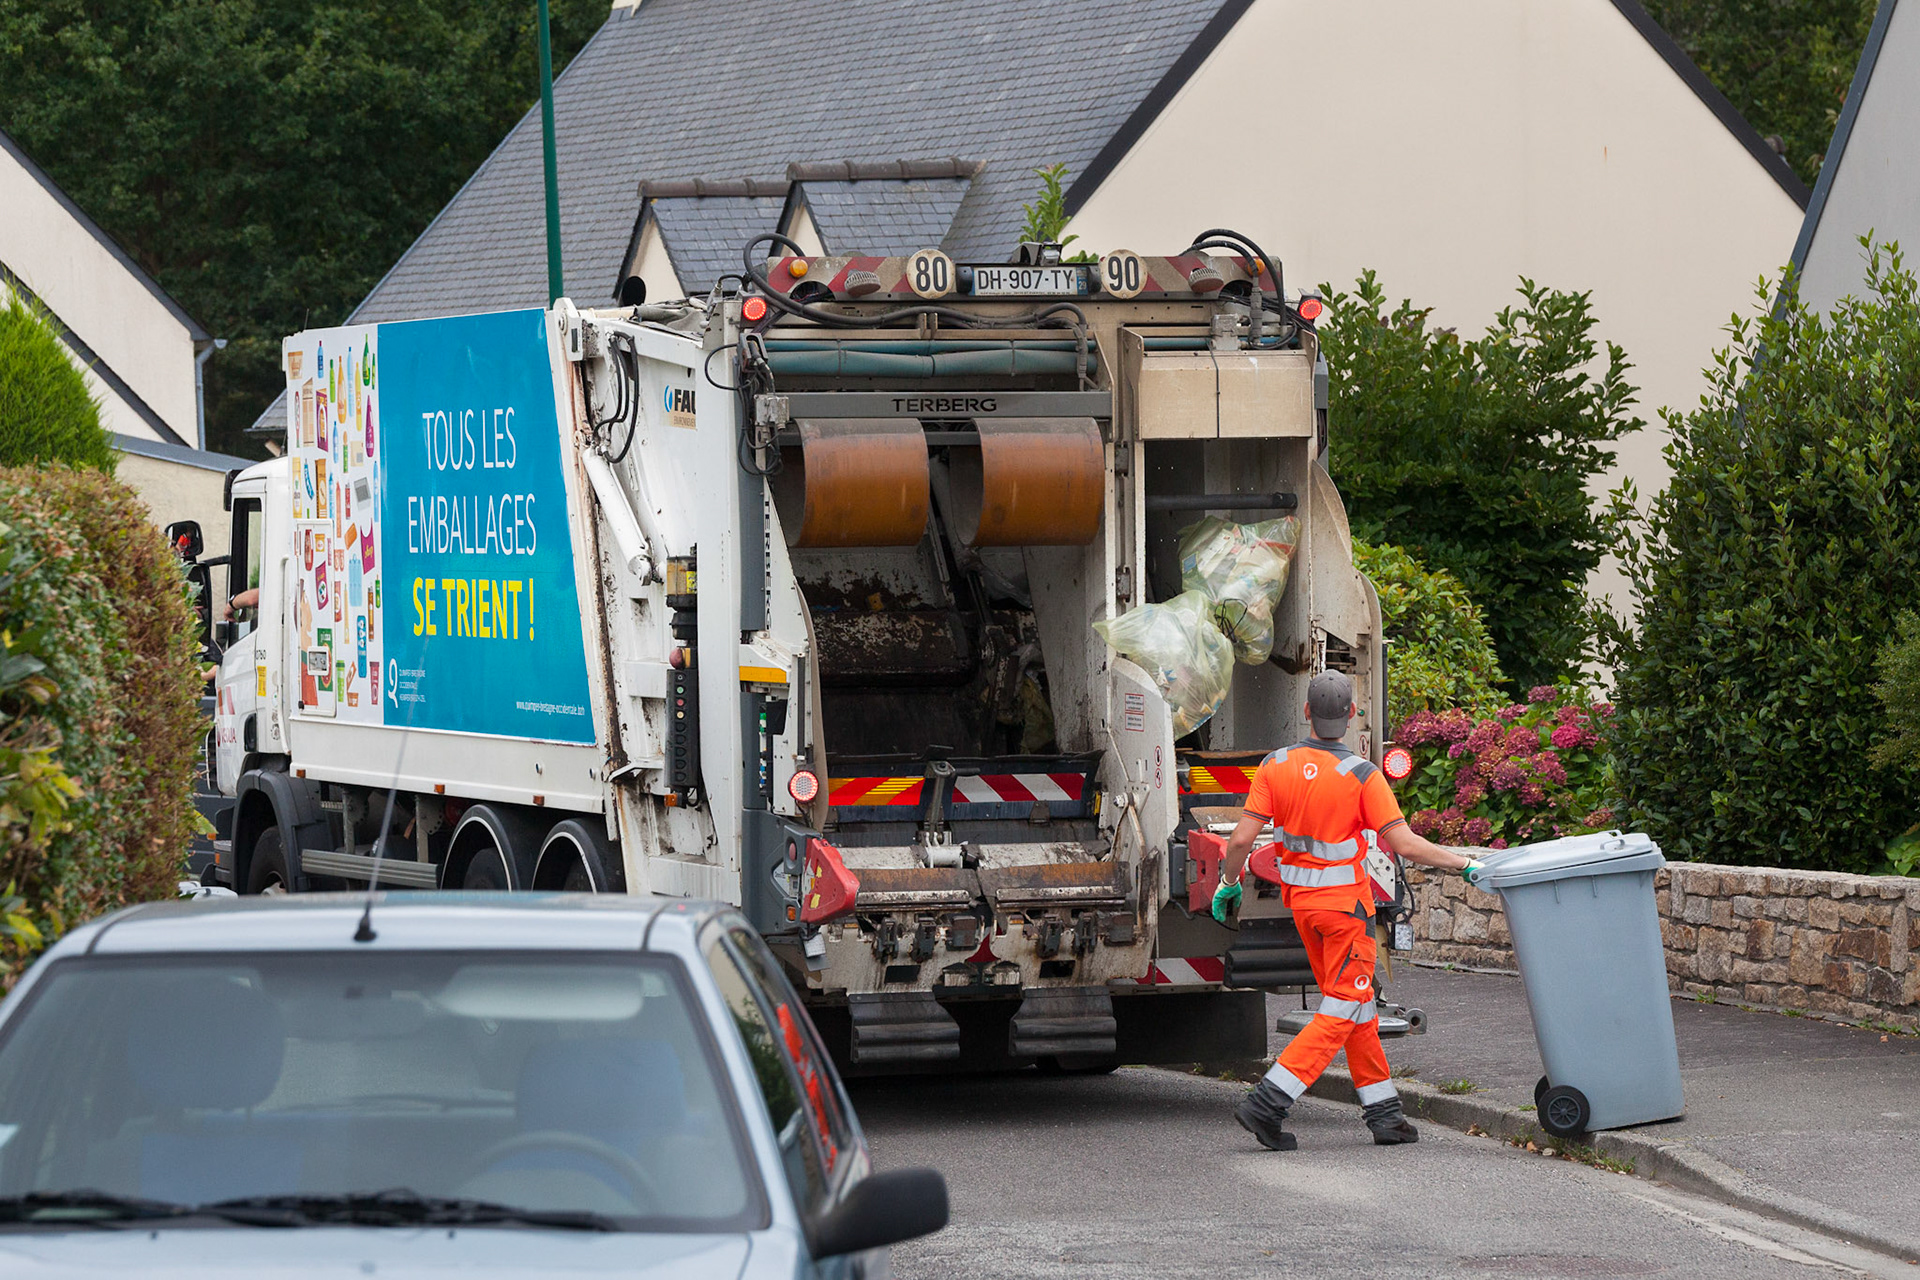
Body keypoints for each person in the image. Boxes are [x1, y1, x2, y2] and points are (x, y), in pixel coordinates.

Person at [1211, 670, 1486, 1151]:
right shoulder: (1362, 775)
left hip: (1305, 911)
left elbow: (1240, 841)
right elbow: (1404, 844)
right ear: (1352, 715)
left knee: (1355, 1006)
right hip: (1345, 913)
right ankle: (1268, 1102)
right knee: (1341, 1009)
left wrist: (1228, 883)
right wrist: (1463, 863)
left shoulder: (1276, 765)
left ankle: (1386, 1116)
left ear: (1307, 713)